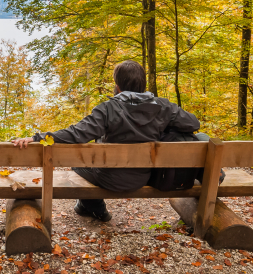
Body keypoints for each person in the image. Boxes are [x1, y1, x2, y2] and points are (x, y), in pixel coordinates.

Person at [12, 59, 205, 222]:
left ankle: (96, 208)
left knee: (78, 164)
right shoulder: (163, 106)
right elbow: (193, 123)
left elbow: (76, 134)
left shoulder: (108, 108)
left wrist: (37, 137)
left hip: (110, 178)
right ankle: (91, 207)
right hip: (143, 176)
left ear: (118, 86)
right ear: (143, 84)